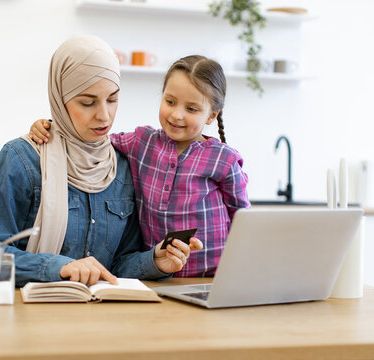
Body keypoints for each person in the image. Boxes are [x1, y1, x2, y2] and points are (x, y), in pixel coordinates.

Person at [0, 36, 203, 287]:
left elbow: (119, 264)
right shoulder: (22, 159)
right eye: (87, 102)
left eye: (112, 99)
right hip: (33, 314)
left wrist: (156, 261)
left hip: (102, 317)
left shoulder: (120, 166)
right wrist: (61, 267)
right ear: (60, 99)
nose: (104, 115)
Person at [29, 55, 250, 278]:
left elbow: (243, 220)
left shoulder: (224, 158)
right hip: (158, 276)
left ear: (212, 115)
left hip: (214, 276)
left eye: (191, 109)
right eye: (170, 102)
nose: (177, 114)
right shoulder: (142, 142)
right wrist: (52, 126)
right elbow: (94, 138)